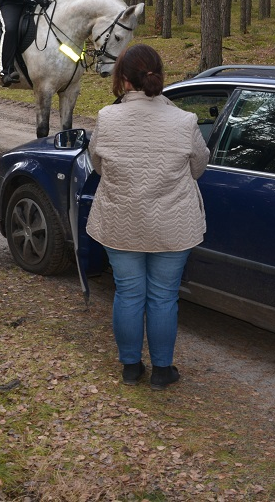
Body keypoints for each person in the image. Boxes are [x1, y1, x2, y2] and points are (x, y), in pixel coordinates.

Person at [86, 44, 208, 390]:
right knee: (163, 296)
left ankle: (130, 366)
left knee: (128, 293)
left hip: (121, 221)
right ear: (158, 76)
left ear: (123, 79)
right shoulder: (185, 121)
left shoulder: (106, 118)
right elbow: (199, 166)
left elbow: (98, 165)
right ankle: (162, 370)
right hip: (172, 224)